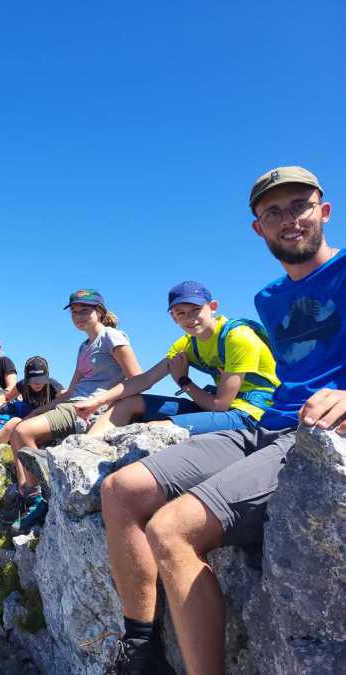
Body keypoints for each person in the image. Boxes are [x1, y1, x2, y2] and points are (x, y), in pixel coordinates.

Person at [101, 166, 345, 675]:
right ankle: (140, 647)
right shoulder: (268, 299)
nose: (289, 219)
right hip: (263, 427)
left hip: (310, 436)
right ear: (258, 228)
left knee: (171, 529)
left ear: (324, 210)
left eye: (299, 206)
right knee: (120, 489)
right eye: (272, 212)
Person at [76, 281, 280, 438]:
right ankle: (84, 447)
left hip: (252, 412)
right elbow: (145, 379)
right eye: (181, 313)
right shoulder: (187, 344)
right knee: (128, 403)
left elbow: (219, 405)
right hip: (218, 406)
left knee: (154, 429)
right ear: (174, 317)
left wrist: (184, 381)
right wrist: (97, 401)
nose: (190, 318)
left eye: (196, 310)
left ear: (212, 306)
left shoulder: (238, 337)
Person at [11, 291, 141, 533]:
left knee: (22, 432)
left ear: (99, 312)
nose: (78, 316)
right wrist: (38, 411)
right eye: (74, 312)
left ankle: (39, 499)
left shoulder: (111, 336)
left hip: (87, 407)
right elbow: (70, 391)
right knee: (21, 427)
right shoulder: (84, 347)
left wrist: (101, 402)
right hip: (72, 403)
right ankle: (31, 495)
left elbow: (136, 378)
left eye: (84, 310)